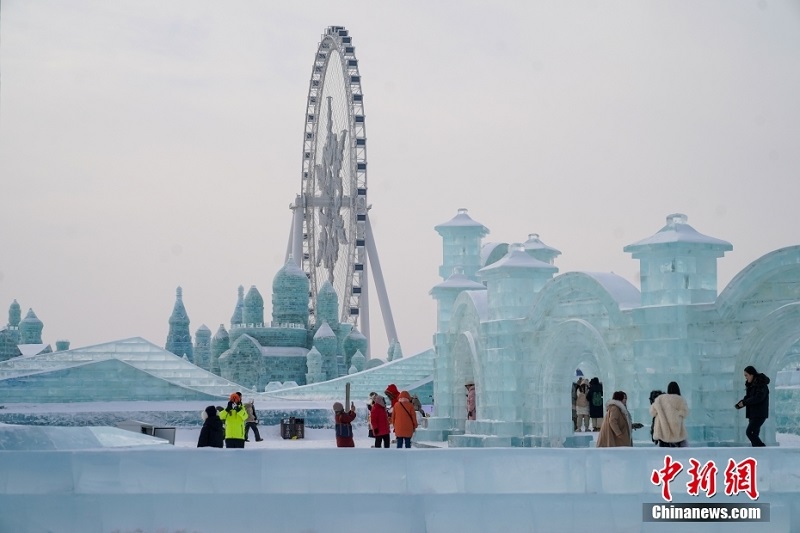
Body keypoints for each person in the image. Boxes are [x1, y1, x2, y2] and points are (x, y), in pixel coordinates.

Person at [735, 365, 771, 447]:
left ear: (752, 375)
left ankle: (762, 449)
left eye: (746, 375)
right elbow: (748, 398)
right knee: (754, 434)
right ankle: (758, 452)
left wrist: (745, 402)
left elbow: (758, 398)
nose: (746, 378)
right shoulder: (751, 385)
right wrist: (741, 403)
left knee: (750, 432)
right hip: (753, 414)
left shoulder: (761, 385)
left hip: (759, 414)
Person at [650, 381, 689, 447]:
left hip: (662, 434)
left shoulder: (660, 399)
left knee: (663, 455)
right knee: (677, 456)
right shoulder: (681, 400)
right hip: (677, 434)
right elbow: (685, 413)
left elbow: (652, 412)